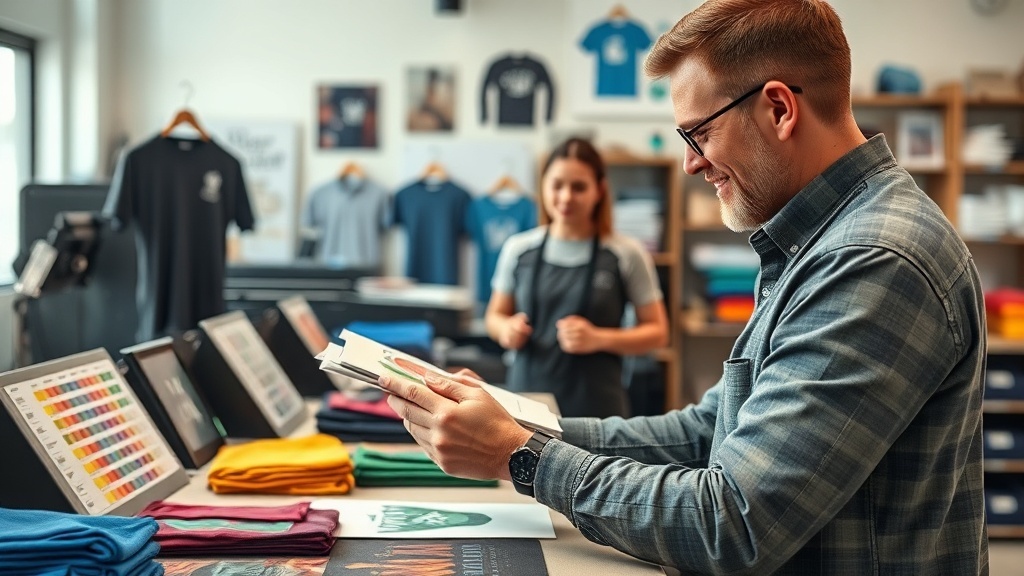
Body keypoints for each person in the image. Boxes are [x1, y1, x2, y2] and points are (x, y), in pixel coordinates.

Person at [378, 0, 988, 573]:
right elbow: (706, 432)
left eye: (699, 133)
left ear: (779, 109)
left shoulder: (873, 260)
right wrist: (515, 422)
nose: (692, 163)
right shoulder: (819, 242)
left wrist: (519, 457)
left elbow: (735, 525)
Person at [484, 136, 670, 417]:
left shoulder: (626, 253)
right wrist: (506, 330)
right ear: (543, 186)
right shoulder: (518, 249)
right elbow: (494, 317)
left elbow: (657, 332)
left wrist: (598, 338)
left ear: (599, 190)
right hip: (526, 407)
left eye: (579, 187)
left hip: (598, 412)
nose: (566, 197)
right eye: (557, 185)